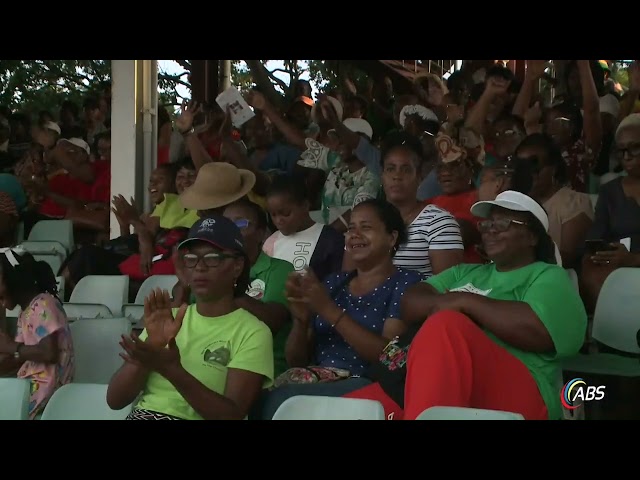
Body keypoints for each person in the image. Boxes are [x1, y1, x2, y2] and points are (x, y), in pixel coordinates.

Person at [343, 191, 587, 420]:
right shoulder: (464, 272)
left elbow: (539, 330)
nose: (490, 231)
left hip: (523, 391)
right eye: (486, 224)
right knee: (344, 411)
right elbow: (410, 302)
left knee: (446, 325)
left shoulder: (548, 275)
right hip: (437, 381)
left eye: (501, 224)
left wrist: (464, 301)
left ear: (533, 236)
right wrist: (461, 306)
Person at [252, 199, 423, 419]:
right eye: (351, 227)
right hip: (316, 380)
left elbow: (390, 357)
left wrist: (329, 310)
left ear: (392, 237)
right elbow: (297, 361)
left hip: (370, 384)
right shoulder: (334, 283)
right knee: (256, 398)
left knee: (280, 400)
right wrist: (300, 321)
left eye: (366, 227)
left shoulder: (407, 283)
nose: (355, 234)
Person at [107, 215, 274, 420]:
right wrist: (148, 350)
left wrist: (172, 370)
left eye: (213, 258)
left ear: (237, 266)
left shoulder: (253, 332)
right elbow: (115, 401)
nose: (200, 267)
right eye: (192, 259)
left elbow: (232, 415)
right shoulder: (169, 319)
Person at [0, 248, 74, 419]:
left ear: (14, 280)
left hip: (45, 391)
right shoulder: (27, 311)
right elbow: (19, 357)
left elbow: (49, 352)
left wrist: (11, 346)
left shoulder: (44, 305)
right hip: (29, 386)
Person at [377, 132, 464, 277]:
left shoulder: (439, 222)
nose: (397, 176)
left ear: (419, 177)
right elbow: (349, 279)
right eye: (390, 169)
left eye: (406, 170)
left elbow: (447, 290)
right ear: (382, 175)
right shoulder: (365, 220)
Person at [263, 175, 344, 280]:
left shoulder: (330, 239)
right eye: (273, 215)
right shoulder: (271, 242)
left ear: (305, 206)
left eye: (285, 213)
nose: (278, 220)